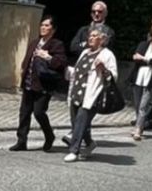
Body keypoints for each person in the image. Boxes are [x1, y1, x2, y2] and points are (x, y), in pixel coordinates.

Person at [11, 15, 67, 152]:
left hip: (43, 85)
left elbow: (61, 64)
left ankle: (49, 136)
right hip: (29, 83)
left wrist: (47, 57)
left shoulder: (56, 44)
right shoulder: (34, 42)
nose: (43, 27)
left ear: (53, 29)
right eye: (42, 25)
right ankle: (21, 141)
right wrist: (23, 71)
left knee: (39, 112)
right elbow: (27, 60)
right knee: (24, 113)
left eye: (47, 25)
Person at [64, 29, 118, 162]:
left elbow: (113, 77)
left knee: (80, 122)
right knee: (77, 123)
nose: (90, 38)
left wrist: (103, 69)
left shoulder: (107, 55)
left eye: (94, 36)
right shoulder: (85, 52)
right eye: (90, 35)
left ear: (102, 39)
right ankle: (89, 143)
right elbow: (79, 70)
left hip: (92, 95)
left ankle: (74, 150)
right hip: (76, 93)